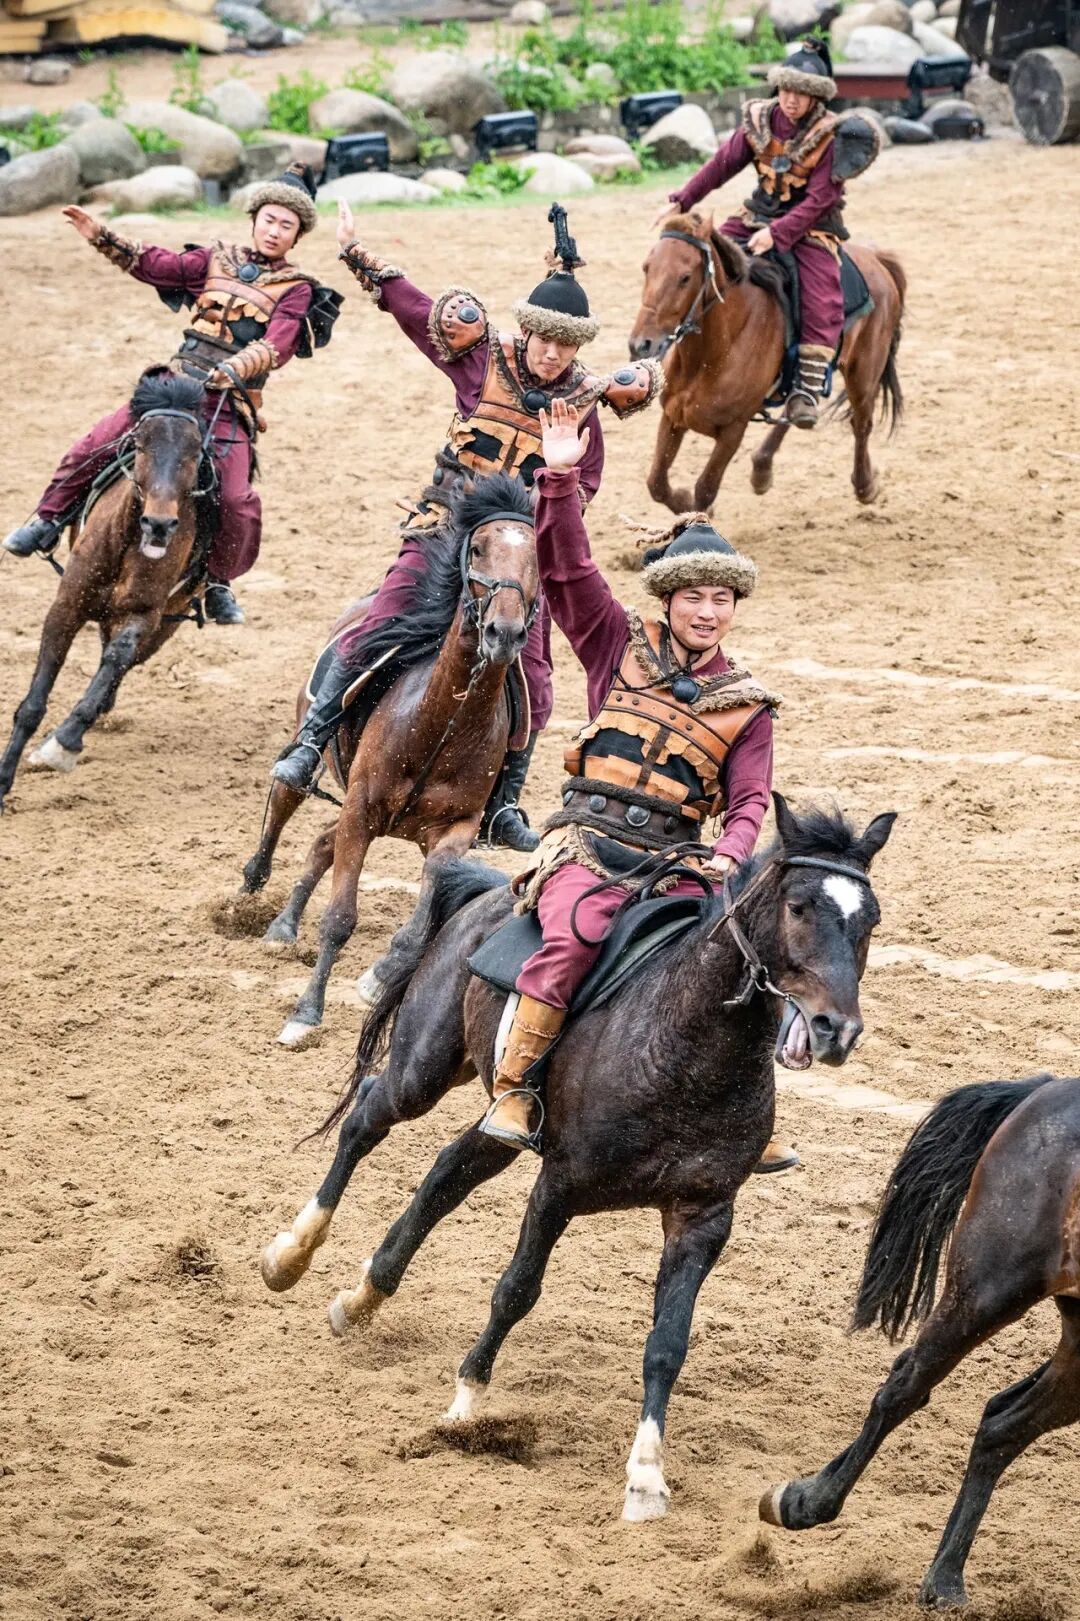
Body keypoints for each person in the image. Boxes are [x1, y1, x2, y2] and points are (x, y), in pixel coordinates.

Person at [270, 200, 661, 852]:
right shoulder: (482, 359)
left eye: (566, 345)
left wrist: (548, 514)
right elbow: (417, 311)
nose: (553, 354)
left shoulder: (584, 403)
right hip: (444, 530)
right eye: (545, 340)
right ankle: (312, 741)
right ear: (527, 331)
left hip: (517, 553)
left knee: (535, 672)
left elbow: (584, 486)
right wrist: (357, 253)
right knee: (381, 621)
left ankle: (503, 802)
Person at [478, 397, 797, 1175]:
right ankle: (514, 1086)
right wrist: (558, 479)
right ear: (668, 599)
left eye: (721, 600)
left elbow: (750, 800)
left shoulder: (748, 705)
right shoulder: (614, 641)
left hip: (674, 861)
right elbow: (568, 570)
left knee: (740, 960)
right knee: (577, 934)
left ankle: (748, 1115)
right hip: (586, 844)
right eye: (695, 597)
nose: (708, 612)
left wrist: (731, 852)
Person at [3, 163, 341, 625]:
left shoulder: (298, 289)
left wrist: (233, 368)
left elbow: (278, 344)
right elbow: (159, 265)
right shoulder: (214, 258)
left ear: (297, 235)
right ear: (254, 218)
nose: (275, 231)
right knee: (96, 443)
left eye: (287, 225)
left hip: (228, 403)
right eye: (269, 220)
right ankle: (48, 521)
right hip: (174, 385)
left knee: (237, 499)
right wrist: (101, 235)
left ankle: (216, 582)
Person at [652, 39, 879, 429]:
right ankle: (677, 341)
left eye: (801, 93)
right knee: (706, 258)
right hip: (755, 216)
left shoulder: (829, 135)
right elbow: (722, 165)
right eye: (786, 89)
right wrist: (681, 200)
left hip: (812, 228)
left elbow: (821, 198)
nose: (791, 99)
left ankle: (805, 388)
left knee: (821, 295)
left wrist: (778, 233)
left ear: (816, 97)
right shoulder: (760, 121)